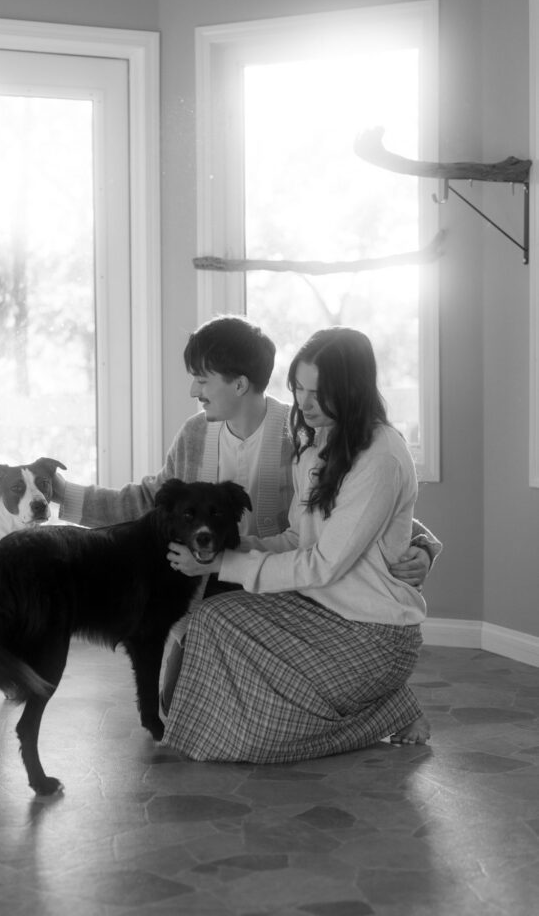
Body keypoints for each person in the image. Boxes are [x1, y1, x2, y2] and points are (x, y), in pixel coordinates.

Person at [53, 316, 440, 707]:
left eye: (202, 380)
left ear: (238, 384)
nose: (194, 391)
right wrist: (63, 495)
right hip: (208, 587)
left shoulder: (302, 434)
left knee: (243, 713)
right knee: (180, 707)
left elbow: (357, 516)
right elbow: (147, 502)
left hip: (286, 593)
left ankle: (382, 704)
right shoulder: (195, 434)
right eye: (299, 388)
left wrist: (422, 544)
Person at [162, 326, 432, 763]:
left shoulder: (381, 456)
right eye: (298, 389)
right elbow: (294, 539)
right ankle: (370, 705)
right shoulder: (316, 447)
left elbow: (323, 564)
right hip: (319, 611)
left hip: (373, 633)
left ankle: (389, 708)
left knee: (256, 741)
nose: (304, 404)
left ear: (353, 390)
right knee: (213, 619)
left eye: (317, 393)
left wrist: (220, 565)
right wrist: (226, 551)